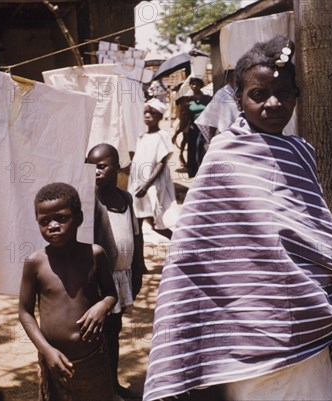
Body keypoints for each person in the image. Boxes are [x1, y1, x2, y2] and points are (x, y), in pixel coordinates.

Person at [143, 36, 332, 401]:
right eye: (259, 94)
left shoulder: (302, 154)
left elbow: (317, 242)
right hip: (247, 338)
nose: (273, 103)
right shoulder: (224, 156)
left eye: (284, 93)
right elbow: (195, 252)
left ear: (295, 95)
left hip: (307, 331)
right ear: (238, 98)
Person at [18, 182, 121, 401]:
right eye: (44, 222)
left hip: (93, 359)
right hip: (55, 359)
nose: (53, 226)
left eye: (61, 218)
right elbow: (24, 312)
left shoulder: (95, 255)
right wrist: (46, 351)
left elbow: (112, 294)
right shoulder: (35, 263)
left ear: (79, 218)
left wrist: (103, 305)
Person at [87, 143, 146, 400]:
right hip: (100, 283)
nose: (96, 172)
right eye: (91, 168)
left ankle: (112, 384)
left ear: (117, 168)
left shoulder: (126, 198)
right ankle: (100, 389)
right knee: (98, 335)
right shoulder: (89, 200)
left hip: (122, 277)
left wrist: (137, 272)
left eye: (102, 167)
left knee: (114, 331)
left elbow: (137, 236)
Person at [128, 98, 175, 240]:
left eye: (152, 114)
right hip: (138, 184)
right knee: (137, 218)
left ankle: (179, 243)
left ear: (160, 117)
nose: (148, 116)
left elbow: (161, 163)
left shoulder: (162, 136)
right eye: (146, 113)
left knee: (159, 220)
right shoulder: (142, 136)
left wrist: (147, 184)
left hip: (153, 184)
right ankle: (138, 259)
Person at [185, 76, 211, 177]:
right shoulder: (189, 100)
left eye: (196, 83)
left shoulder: (208, 98)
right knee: (192, 149)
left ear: (201, 85)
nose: (194, 86)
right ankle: (193, 172)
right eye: (192, 84)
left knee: (202, 149)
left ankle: (203, 172)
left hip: (204, 128)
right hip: (193, 128)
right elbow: (187, 117)